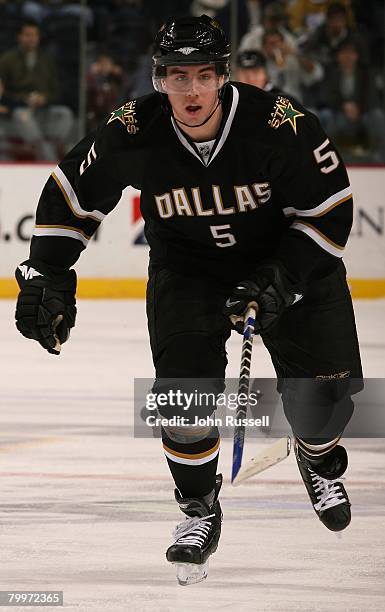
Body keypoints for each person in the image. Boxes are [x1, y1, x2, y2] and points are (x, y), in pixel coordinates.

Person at [14, 15, 362, 585]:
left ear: (224, 77)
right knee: (182, 394)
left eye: (204, 76)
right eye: (178, 76)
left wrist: (284, 278)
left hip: (286, 263)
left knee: (329, 399)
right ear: (159, 80)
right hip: (188, 270)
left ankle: (319, 456)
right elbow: (70, 196)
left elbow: (331, 211)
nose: (192, 90)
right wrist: (46, 271)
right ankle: (199, 509)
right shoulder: (132, 130)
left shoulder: (280, 126)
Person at [0, 20, 74, 161]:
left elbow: (56, 90)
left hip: (43, 110)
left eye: (34, 35)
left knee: (65, 114)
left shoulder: (47, 60)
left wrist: (44, 98)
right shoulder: (7, 60)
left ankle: (48, 144)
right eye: (27, 35)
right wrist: (22, 100)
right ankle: (48, 160)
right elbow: (2, 90)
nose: (31, 38)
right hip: (19, 110)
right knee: (23, 116)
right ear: (19, 37)